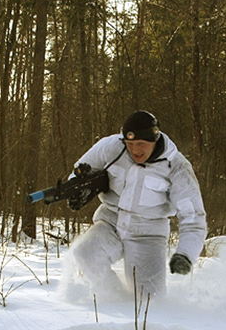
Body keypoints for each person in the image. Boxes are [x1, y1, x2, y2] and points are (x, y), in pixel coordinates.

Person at [69, 110, 207, 297]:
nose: (135, 150)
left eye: (141, 144)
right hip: (111, 222)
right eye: (130, 144)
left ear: (155, 139)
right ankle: (114, 300)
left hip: (148, 235)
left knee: (149, 301)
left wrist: (186, 254)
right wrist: (76, 189)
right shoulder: (110, 147)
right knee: (85, 253)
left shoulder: (177, 166)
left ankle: (139, 319)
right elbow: (80, 170)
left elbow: (193, 217)